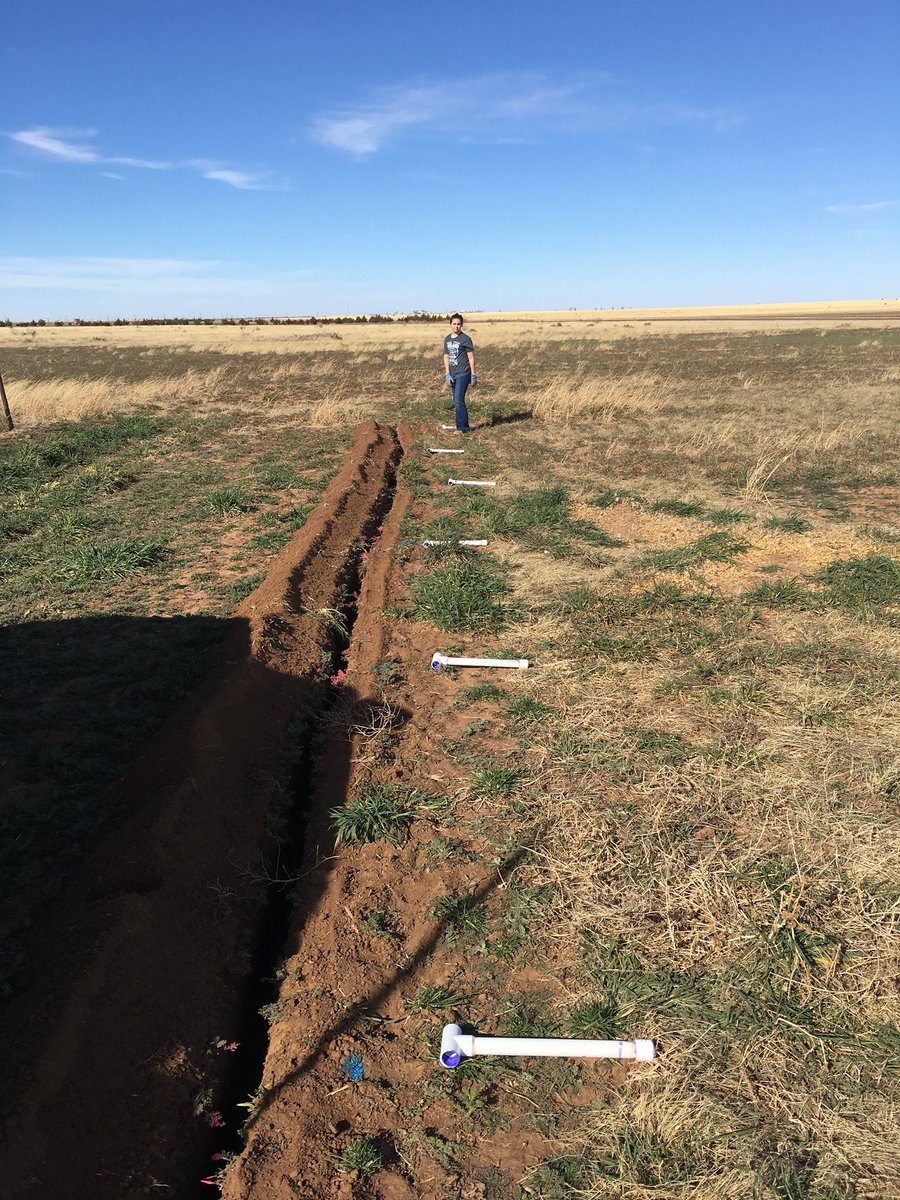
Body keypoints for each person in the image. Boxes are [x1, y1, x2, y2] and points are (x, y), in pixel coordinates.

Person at [443, 313, 477, 432]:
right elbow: (446, 357)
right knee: (456, 400)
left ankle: (462, 428)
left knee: (458, 399)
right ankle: (462, 425)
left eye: (458, 324)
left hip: (463, 373)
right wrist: (447, 373)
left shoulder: (465, 339)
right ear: (450, 324)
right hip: (453, 374)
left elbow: (471, 357)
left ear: (461, 325)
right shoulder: (447, 339)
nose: (456, 326)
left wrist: (473, 374)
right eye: (454, 324)